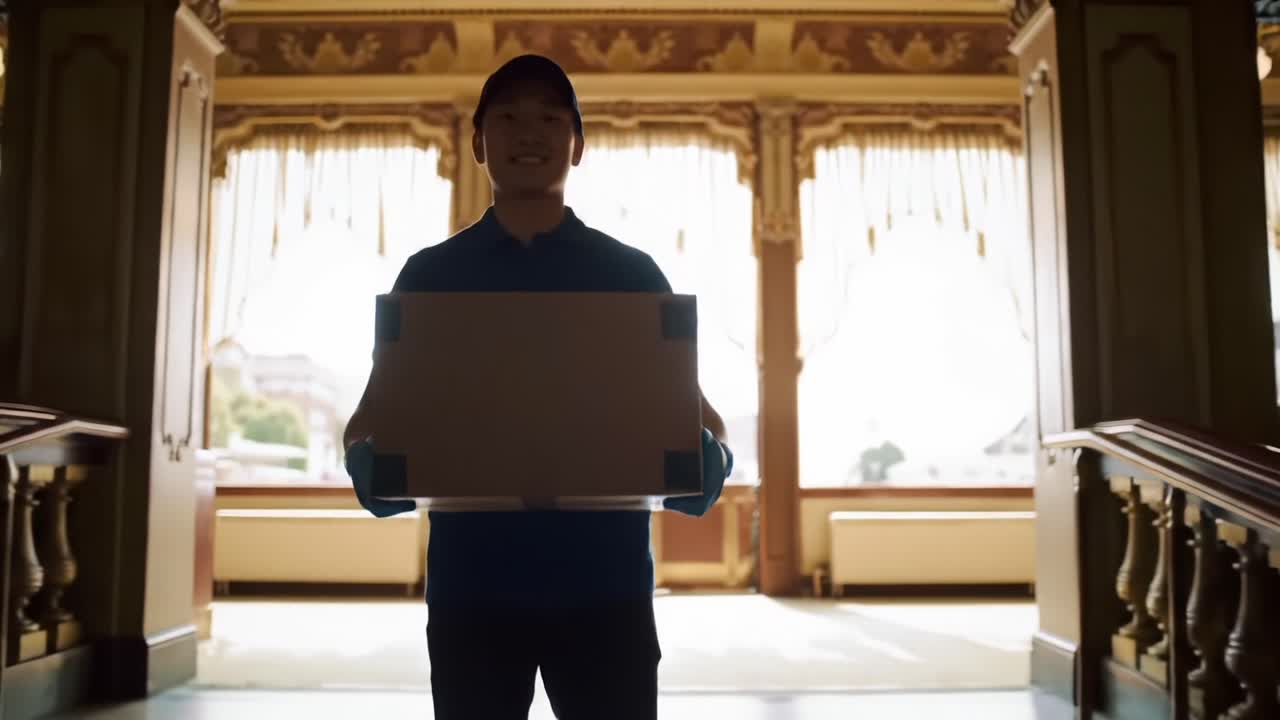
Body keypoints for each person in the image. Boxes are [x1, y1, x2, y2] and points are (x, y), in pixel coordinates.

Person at [342, 54, 733, 720]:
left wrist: (708, 462)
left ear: (578, 146)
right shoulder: (431, 277)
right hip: (473, 586)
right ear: (477, 143)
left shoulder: (631, 276)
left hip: (605, 584)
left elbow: (701, 420)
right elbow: (369, 421)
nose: (531, 132)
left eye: (551, 118)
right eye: (510, 117)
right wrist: (368, 466)